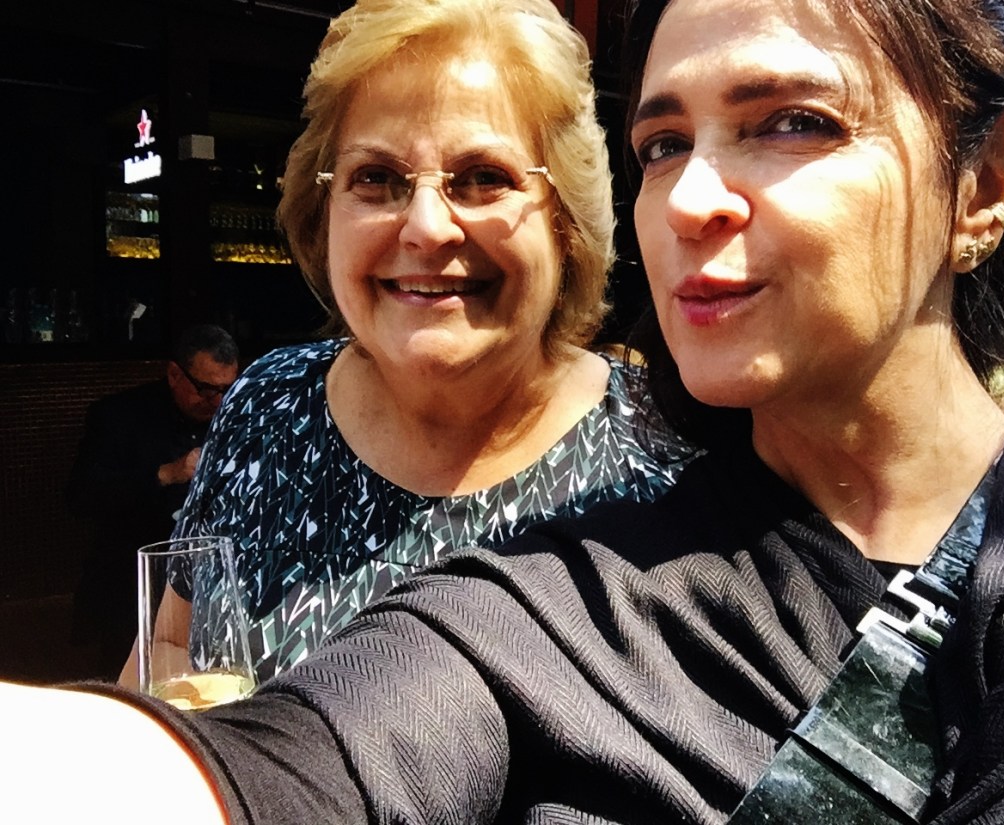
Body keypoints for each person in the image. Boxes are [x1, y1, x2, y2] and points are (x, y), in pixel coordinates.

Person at [5, 0, 1004, 822]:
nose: (689, 197)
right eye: (663, 145)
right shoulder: (559, 594)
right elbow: (280, 748)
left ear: (984, 183)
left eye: (792, 121)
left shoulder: (644, 459)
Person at [119, 0, 687, 686]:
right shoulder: (267, 405)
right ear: (324, 212)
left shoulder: (667, 454)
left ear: (565, 220)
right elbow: (170, 648)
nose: (425, 228)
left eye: (483, 177)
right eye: (377, 178)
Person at [66, 323, 239, 677]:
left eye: (226, 389)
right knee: (128, 678)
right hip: (133, 579)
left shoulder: (234, 416)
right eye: (206, 389)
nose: (217, 401)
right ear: (175, 374)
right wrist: (167, 473)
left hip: (209, 580)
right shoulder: (119, 416)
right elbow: (81, 496)